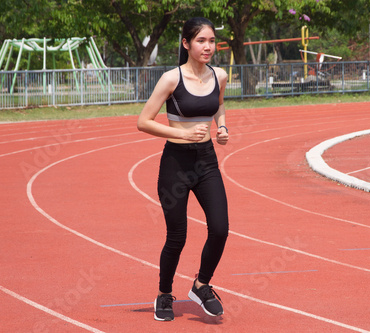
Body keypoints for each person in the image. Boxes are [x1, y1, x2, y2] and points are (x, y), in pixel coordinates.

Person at [137, 17, 229, 322]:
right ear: (186, 44)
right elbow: (143, 121)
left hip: (207, 161)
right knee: (177, 235)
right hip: (176, 163)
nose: (208, 47)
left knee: (220, 228)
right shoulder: (171, 79)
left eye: (212, 41)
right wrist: (181, 134)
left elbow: (218, 105)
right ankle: (164, 293)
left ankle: (201, 285)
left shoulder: (220, 75)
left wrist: (223, 127)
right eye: (201, 41)